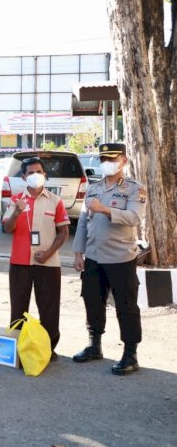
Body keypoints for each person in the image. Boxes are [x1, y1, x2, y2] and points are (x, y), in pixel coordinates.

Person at [72, 143, 146, 375]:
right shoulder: (94, 188)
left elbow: (134, 217)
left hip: (121, 257)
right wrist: (78, 252)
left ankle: (130, 353)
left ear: (123, 160)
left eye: (112, 158)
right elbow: (83, 222)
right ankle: (95, 345)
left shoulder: (134, 188)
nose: (107, 163)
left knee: (126, 306)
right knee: (92, 300)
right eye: (103, 158)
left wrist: (104, 209)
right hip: (94, 256)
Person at [2, 157, 69, 359]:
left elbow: (64, 232)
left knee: (49, 307)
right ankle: (19, 345)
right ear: (23, 177)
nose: (35, 175)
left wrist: (48, 253)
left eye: (39, 171)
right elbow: (7, 228)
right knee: (19, 306)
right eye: (30, 173)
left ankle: (48, 347)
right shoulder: (15, 200)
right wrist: (16, 212)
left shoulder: (55, 201)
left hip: (47, 263)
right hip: (20, 262)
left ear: (45, 175)